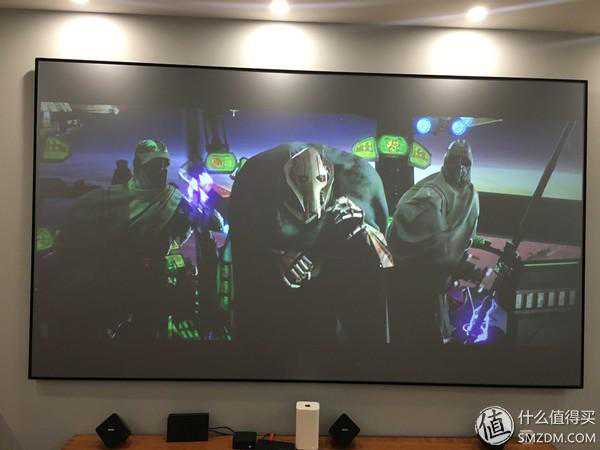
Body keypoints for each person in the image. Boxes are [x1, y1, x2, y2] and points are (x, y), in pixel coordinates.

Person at [229, 142, 393, 345]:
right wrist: (275, 261)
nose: (312, 207)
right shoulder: (257, 186)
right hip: (281, 319)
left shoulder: (361, 183)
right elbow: (245, 263)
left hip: (336, 314)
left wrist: (364, 231)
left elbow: (384, 263)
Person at [49, 139, 204, 341]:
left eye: (164, 165)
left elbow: (210, 222)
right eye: (154, 165)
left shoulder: (173, 200)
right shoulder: (105, 198)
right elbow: (72, 232)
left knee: (150, 336)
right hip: (112, 281)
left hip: (152, 283)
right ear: (139, 166)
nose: (161, 171)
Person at [387, 139, 480, 345]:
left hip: (437, 287)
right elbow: (429, 248)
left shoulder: (469, 193)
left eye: (465, 162)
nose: (460, 166)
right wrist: (460, 266)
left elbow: (461, 234)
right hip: (414, 286)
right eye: (454, 160)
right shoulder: (430, 196)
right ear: (446, 161)